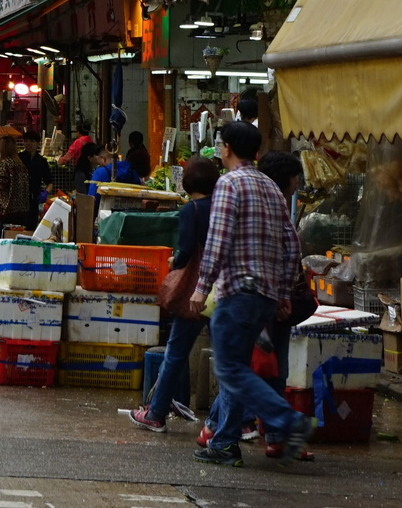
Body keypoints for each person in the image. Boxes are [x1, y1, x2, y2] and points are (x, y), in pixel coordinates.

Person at [188, 122, 311, 466]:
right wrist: (284, 292)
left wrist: (201, 288)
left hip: (238, 292)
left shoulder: (228, 184)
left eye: (219, 144)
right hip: (266, 297)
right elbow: (291, 243)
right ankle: (225, 442)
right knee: (238, 369)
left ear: (226, 147)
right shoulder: (271, 187)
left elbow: (218, 241)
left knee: (231, 370)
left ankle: (289, 422)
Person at [128, 155, 220, 433]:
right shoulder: (222, 206)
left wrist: (174, 262)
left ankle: (155, 413)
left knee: (176, 352)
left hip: (196, 292)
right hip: (224, 290)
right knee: (228, 359)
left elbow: (185, 253)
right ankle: (235, 421)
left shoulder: (191, 210)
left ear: (188, 182)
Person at [0, 138, 33, 236]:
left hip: (6, 208)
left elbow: (1, 183)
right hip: (21, 209)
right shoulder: (20, 164)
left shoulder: (5, 163)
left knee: (3, 237)